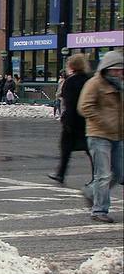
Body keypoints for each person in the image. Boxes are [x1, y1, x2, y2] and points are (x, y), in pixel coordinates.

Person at [78, 50, 123, 224]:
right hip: (99, 135)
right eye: (116, 70)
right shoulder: (95, 84)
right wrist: (104, 121)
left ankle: (91, 191)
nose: (119, 73)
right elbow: (85, 107)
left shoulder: (120, 85)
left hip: (118, 135)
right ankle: (99, 210)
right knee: (103, 174)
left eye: (121, 69)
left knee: (119, 174)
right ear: (107, 69)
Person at [48, 54, 92, 184]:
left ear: (72, 66)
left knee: (65, 148)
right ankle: (97, 175)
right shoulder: (89, 80)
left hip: (72, 120)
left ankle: (61, 173)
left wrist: (66, 120)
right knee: (91, 150)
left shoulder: (70, 82)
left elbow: (69, 102)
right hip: (87, 120)